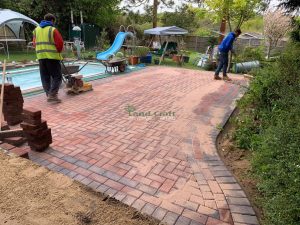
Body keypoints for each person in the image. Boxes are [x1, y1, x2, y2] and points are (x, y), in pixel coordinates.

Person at [33, 13, 64, 103]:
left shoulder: (36, 30)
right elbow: (60, 43)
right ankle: (52, 95)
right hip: (52, 57)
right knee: (57, 76)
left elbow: (34, 43)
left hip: (41, 57)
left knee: (45, 77)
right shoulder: (52, 29)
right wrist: (58, 51)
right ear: (52, 21)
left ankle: (49, 94)